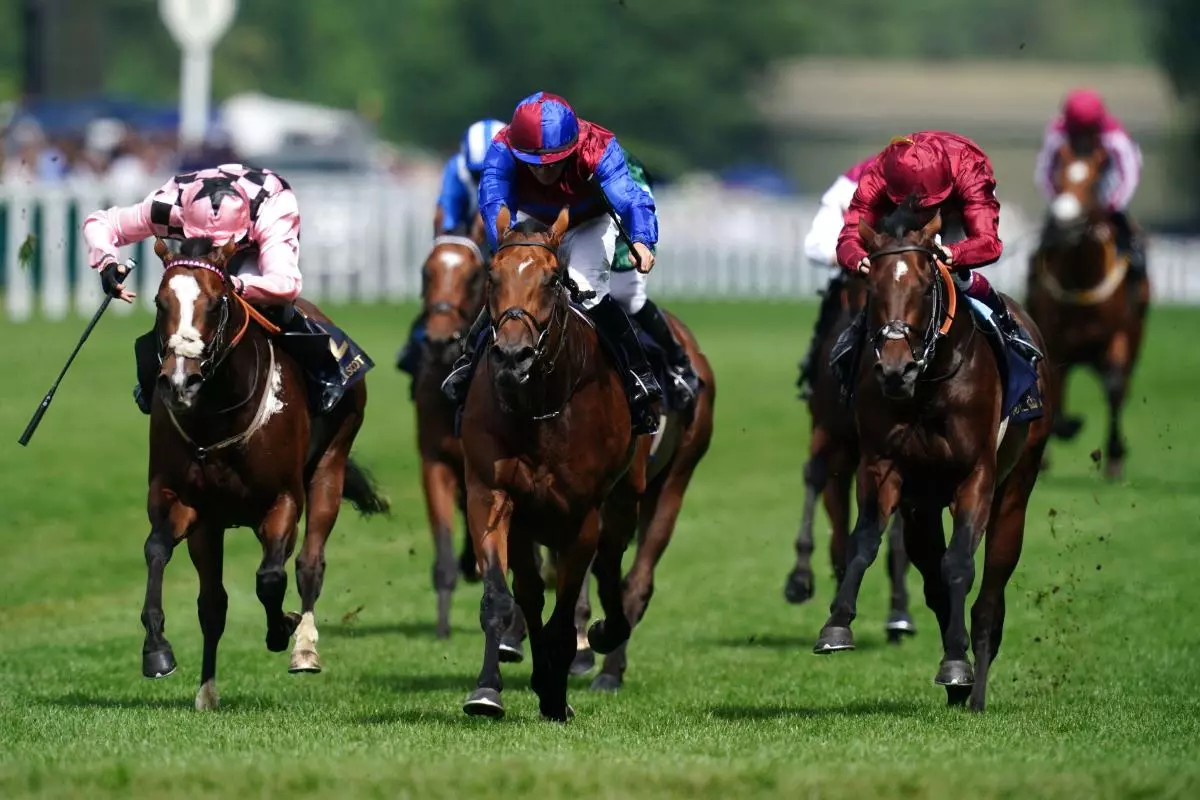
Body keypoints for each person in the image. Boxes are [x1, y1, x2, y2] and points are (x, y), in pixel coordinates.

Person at [440, 91, 665, 434]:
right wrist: (504, 249)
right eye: (534, 164)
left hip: (588, 221)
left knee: (586, 290)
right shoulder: (502, 149)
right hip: (530, 221)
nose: (545, 173)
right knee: (512, 283)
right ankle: (468, 364)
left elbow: (629, 198)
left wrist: (642, 240)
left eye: (555, 162)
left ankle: (638, 375)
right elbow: (493, 202)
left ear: (573, 146)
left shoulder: (598, 146)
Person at [83, 164, 373, 415]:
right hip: (207, 217)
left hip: (258, 219)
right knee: (180, 303)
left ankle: (328, 371)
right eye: (207, 243)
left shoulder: (272, 210)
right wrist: (107, 262)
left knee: (271, 305)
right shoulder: (167, 206)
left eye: (220, 244)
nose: (214, 250)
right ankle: (152, 377)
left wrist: (234, 284)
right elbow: (102, 222)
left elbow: (286, 284)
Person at [830, 132, 1041, 382]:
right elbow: (849, 235)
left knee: (959, 277)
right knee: (891, 281)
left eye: (930, 204)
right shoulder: (879, 173)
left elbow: (989, 243)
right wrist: (856, 257)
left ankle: (1008, 329)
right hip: (900, 215)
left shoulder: (969, 169)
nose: (923, 214)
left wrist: (954, 253)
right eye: (920, 206)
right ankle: (854, 346)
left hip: (954, 215)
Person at [396, 118, 505, 377]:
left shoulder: (520, 171)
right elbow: (447, 220)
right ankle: (419, 346)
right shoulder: (455, 170)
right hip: (471, 239)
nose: (483, 181)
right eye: (478, 175)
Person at [609, 150, 703, 409]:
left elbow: (640, 205)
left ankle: (678, 363)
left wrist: (639, 242)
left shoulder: (619, 163)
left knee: (626, 295)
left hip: (623, 237)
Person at [1033, 88, 1145, 279]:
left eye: (1087, 131)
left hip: (1107, 188)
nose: (1082, 137)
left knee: (1131, 238)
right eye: (1077, 131)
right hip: (1070, 191)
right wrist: (1060, 200)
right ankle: (1035, 275)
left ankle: (1136, 272)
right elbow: (1045, 171)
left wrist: (1111, 206)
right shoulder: (1057, 133)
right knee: (1046, 236)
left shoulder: (1115, 138)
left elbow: (1128, 175)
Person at [794, 153, 878, 400]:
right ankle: (816, 381)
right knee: (828, 323)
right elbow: (815, 246)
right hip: (853, 286)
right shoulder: (848, 186)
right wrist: (853, 258)